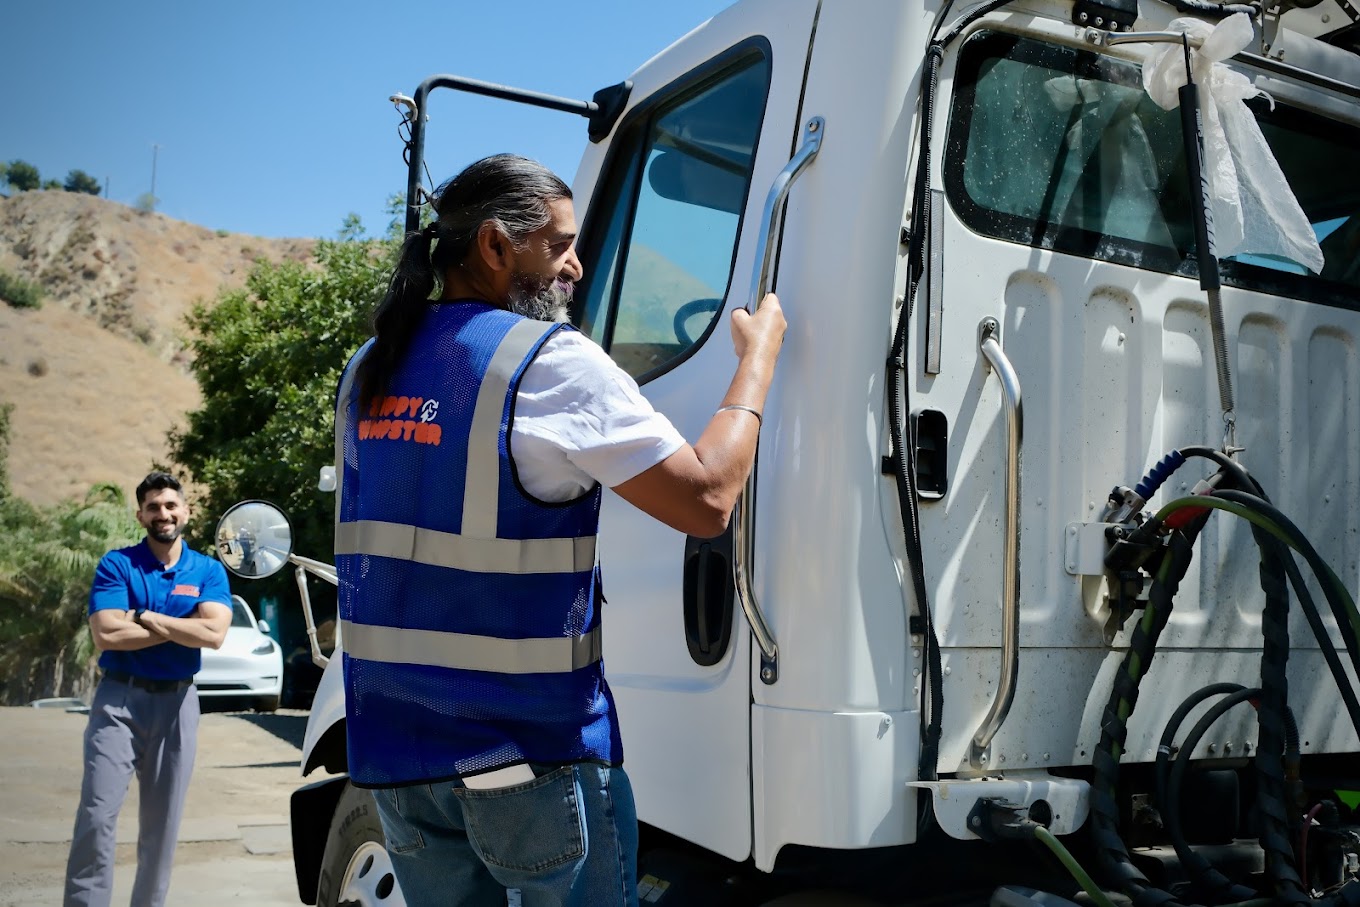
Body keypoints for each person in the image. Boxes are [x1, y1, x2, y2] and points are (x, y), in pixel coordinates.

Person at [335, 153, 786, 907]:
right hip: (526, 762)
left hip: (398, 759)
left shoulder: (367, 368)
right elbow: (707, 497)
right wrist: (760, 357)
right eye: (561, 244)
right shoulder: (548, 365)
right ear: (494, 246)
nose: (577, 265)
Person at [65, 471, 232, 907]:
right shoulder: (118, 564)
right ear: (140, 515)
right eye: (154, 507)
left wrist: (145, 617)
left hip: (179, 702)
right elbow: (108, 636)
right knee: (97, 816)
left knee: (162, 825)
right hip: (119, 699)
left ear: (186, 512)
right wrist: (184, 628)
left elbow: (215, 635)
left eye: (171, 505)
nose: (164, 513)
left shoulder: (208, 570)